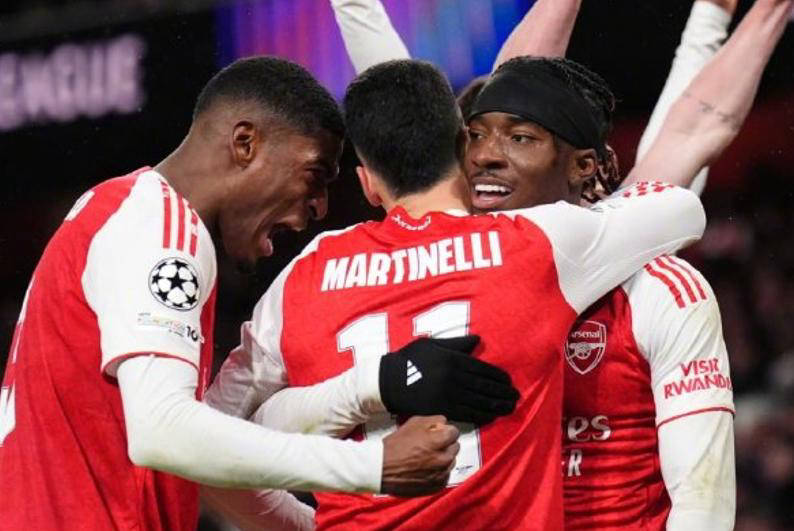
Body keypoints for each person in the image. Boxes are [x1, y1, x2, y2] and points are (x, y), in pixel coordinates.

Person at [0, 55, 524, 530]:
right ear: (246, 143)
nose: (319, 207)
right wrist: (374, 465)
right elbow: (162, 430)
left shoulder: (124, 210)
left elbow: (199, 451)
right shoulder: (163, 229)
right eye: (315, 173)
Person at [210, 57, 706, 530]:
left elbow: (210, 441)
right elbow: (682, 209)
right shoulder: (537, 243)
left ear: (367, 184)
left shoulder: (306, 273)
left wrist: (308, 524)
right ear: (464, 150)